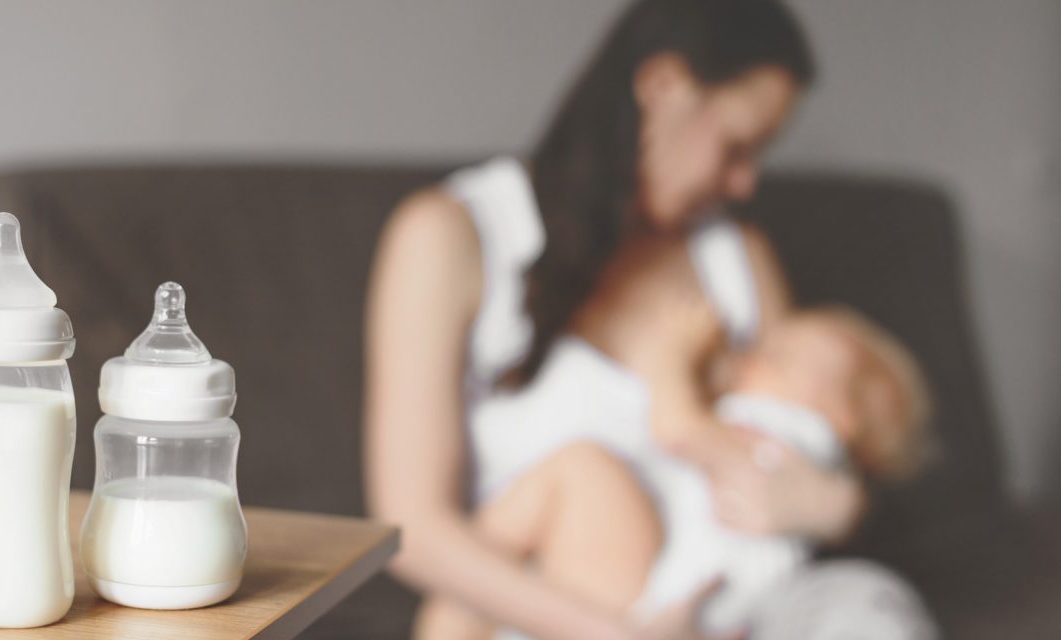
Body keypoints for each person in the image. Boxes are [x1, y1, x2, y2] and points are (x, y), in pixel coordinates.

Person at [363, 1, 925, 638]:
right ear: (662, 87)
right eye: (737, 145)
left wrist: (833, 505)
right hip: (565, 613)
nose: (745, 183)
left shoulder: (739, 258)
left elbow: (804, 428)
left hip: (732, 605)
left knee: (869, 604)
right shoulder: (452, 235)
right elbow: (415, 527)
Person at [452, 298, 930, 639]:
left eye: (779, 359)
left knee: (579, 470)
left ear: (841, 418)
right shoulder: (775, 432)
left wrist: (669, 356)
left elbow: (678, 431)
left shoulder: (788, 435)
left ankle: (469, 591)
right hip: (669, 602)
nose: (753, 358)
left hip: (664, 599)